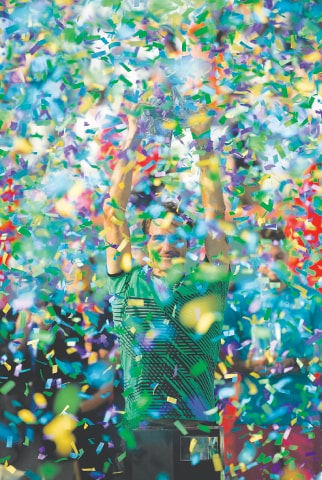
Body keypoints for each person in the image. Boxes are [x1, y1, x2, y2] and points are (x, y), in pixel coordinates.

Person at [102, 21, 231, 480]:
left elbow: (216, 213)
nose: (166, 241)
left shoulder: (207, 279)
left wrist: (203, 142)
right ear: (146, 241)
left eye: (177, 233)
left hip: (198, 427)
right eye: (156, 234)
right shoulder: (127, 278)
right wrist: (133, 140)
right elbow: (112, 210)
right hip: (146, 429)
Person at [221, 227, 322, 479]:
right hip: (251, 417)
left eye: (278, 259)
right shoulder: (238, 302)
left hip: (302, 417)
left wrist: (296, 362)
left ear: (288, 258)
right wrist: (250, 364)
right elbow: (222, 358)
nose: (273, 266)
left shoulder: (311, 301)